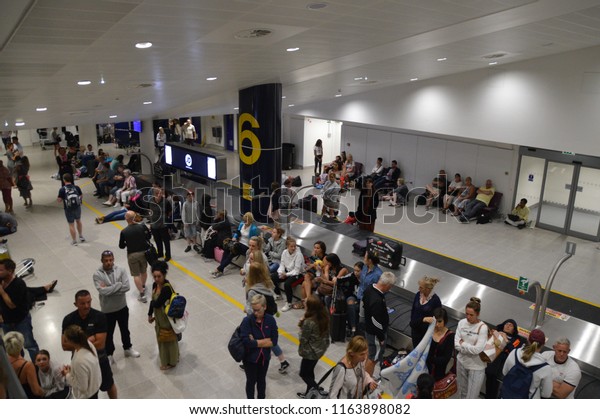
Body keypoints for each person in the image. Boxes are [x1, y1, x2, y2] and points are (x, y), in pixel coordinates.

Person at [62, 290, 117, 398]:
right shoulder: (68, 319)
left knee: (109, 385)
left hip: (100, 359)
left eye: (89, 302)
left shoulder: (99, 316)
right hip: (80, 361)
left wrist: (77, 344)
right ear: (75, 304)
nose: (86, 306)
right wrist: (90, 340)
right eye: (82, 303)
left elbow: (101, 344)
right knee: (88, 392)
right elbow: (64, 345)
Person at [92, 250, 141, 364]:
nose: (109, 263)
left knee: (125, 330)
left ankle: (127, 348)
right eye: (106, 261)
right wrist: (118, 285)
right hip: (107, 310)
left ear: (113, 259)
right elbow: (102, 292)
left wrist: (110, 288)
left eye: (110, 260)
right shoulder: (97, 274)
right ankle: (109, 354)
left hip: (122, 307)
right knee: (108, 334)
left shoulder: (121, 270)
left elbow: (127, 287)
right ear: (102, 261)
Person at [244, 261, 290, 374]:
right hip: (268, 316)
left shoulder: (252, 291)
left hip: (257, 320)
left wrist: (247, 310)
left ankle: (251, 361)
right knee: (269, 340)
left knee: (256, 340)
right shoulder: (268, 284)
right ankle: (283, 361)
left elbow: (252, 309)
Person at [0, 259, 40, 360]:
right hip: (6, 322)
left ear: (10, 271)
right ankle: (19, 367)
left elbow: (12, 305)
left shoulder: (19, 284)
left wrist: (2, 292)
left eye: (1, 270)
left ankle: (36, 369)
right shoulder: (1, 281)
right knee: (13, 348)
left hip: (21, 321)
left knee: (29, 345)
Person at [240, 294, 279, 399]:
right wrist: (265, 341)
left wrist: (256, 341)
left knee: (262, 381)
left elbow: (274, 341)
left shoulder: (270, 320)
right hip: (250, 359)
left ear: (264, 307)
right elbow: (246, 342)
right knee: (251, 381)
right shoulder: (247, 321)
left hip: (264, 358)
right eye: (254, 310)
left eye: (258, 310)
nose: (255, 313)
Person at [500, 328, 552, 399]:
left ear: (528, 340)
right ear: (543, 344)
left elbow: (504, 372)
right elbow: (546, 394)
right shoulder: (545, 368)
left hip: (506, 395)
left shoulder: (514, 353)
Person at [147, 261, 179, 370]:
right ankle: (171, 358)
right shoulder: (155, 285)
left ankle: (171, 361)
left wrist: (152, 308)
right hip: (159, 317)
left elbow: (156, 303)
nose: (156, 279)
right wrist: (149, 314)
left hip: (166, 318)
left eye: (159, 276)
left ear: (164, 275)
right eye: (154, 276)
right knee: (163, 338)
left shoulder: (166, 288)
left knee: (168, 339)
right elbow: (153, 301)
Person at [363, 272, 396, 377]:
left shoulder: (370, 288)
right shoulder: (377, 299)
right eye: (390, 287)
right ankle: (366, 383)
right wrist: (381, 337)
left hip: (368, 329)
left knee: (370, 354)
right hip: (375, 334)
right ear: (387, 285)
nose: (389, 289)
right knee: (373, 359)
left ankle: (364, 376)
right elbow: (375, 321)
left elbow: (366, 305)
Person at [454, 297, 488, 399]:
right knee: (461, 393)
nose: (468, 317)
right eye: (467, 314)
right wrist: (469, 347)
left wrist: (463, 344)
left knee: (471, 397)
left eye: (471, 315)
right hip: (461, 362)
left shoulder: (483, 328)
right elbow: (456, 344)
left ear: (478, 314)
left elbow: (478, 350)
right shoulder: (462, 323)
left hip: (476, 367)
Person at [297, 295, 330, 398]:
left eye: (305, 302)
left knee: (303, 374)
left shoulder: (308, 322)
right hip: (320, 349)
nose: (303, 303)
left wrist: (300, 325)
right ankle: (309, 393)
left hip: (310, 352)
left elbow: (303, 339)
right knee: (310, 372)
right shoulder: (323, 316)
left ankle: (316, 389)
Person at [60, 325, 102, 399]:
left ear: (71, 341)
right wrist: (72, 368)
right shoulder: (88, 344)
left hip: (87, 395)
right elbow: (87, 367)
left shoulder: (79, 361)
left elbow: (82, 388)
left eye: (66, 339)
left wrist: (67, 375)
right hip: (94, 386)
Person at [485, 319, 523, 398]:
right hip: (492, 357)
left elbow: (514, 350)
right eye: (506, 324)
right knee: (490, 376)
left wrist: (505, 339)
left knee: (496, 381)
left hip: (505, 362)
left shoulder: (517, 339)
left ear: (514, 329)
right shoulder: (496, 332)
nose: (508, 326)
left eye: (511, 325)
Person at [212, 212, 258, 277]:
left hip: (246, 245)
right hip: (238, 243)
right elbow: (237, 232)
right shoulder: (242, 224)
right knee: (227, 250)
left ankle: (219, 269)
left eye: (246, 221)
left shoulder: (253, 228)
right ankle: (220, 269)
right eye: (244, 220)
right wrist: (234, 237)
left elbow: (253, 240)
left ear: (250, 221)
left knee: (233, 251)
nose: (245, 222)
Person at [119, 211, 151, 302]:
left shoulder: (124, 231)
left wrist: (127, 243)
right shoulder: (142, 226)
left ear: (126, 219)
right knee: (143, 271)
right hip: (144, 253)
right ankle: (143, 286)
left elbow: (121, 246)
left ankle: (142, 294)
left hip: (132, 255)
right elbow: (148, 237)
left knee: (136, 274)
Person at [3, 331, 45, 398]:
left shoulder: (3, 363)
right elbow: (36, 391)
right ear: (21, 345)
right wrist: (45, 393)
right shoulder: (27, 366)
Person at [352, 251, 383, 333]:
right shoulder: (365, 267)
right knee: (356, 314)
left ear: (370, 260)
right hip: (360, 295)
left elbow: (380, 290)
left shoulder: (378, 274)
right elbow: (362, 282)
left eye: (365, 257)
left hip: (367, 300)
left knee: (362, 320)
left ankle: (361, 337)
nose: (363, 258)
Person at [273, 237, 305, 312]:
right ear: (287, 246)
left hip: (298, 274)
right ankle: (278, 295)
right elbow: (282, 264)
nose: (293, 248)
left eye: (295, 246)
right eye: (291, 246)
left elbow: (297, 270)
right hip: (287, 271)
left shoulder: (299, 255)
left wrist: (286, 275)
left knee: (287, 284)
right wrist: (281, 272)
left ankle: (289, 303)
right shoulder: (284, 252)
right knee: (272, 277)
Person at [410, 276, 442, 348]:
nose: (419, 289)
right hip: (415, 329)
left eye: (421, 287)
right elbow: (413, 310)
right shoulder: (418, 295)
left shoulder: (435, 301)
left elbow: (438, 318)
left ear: (428, 289)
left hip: (425, 334)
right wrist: (412, 323)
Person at [424, 308, 455, 381]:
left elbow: (445, 359)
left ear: (445, 320)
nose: (437, 324)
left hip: (438, 373)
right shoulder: (429, 330)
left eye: (440, 321)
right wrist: (424, 319)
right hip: (424, 368)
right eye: (435, 322)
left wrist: (429, 359)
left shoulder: (450, 336)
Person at [57, 173, 85, 245]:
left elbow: (59, 200)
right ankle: (81, 236)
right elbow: (81, 196)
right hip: (77, 207)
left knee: (71, 224)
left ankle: (74, 241)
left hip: (68, 209)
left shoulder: (62, 189)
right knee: (78, 221)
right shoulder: (76, 187)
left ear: (64, 180)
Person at [148, 187, 172, 262]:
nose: (159, 195)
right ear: (154, 194)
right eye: (157, 194)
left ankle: (168, 255)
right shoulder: (150, 201)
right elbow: (149, 211)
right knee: (157, 240)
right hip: (154, 225)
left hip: (163, 226)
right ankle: (160, 253)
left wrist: (165, 219)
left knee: (166, 241)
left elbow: (170, 211)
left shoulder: (166, 201)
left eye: (160, 193)